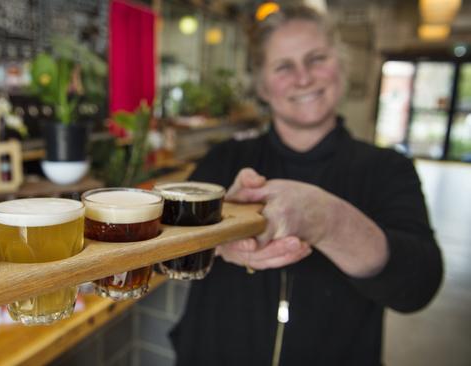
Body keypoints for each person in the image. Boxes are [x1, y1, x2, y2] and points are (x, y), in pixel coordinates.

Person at [169, 5, 443, 366]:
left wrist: (327, 221)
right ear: (263, 86)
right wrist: (218, 234)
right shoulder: (224, 160)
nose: (303, 78)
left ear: (341, 67)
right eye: (284, 66)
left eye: (316, 59)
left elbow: (418, 285)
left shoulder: (388, 169)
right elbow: (167, 250)